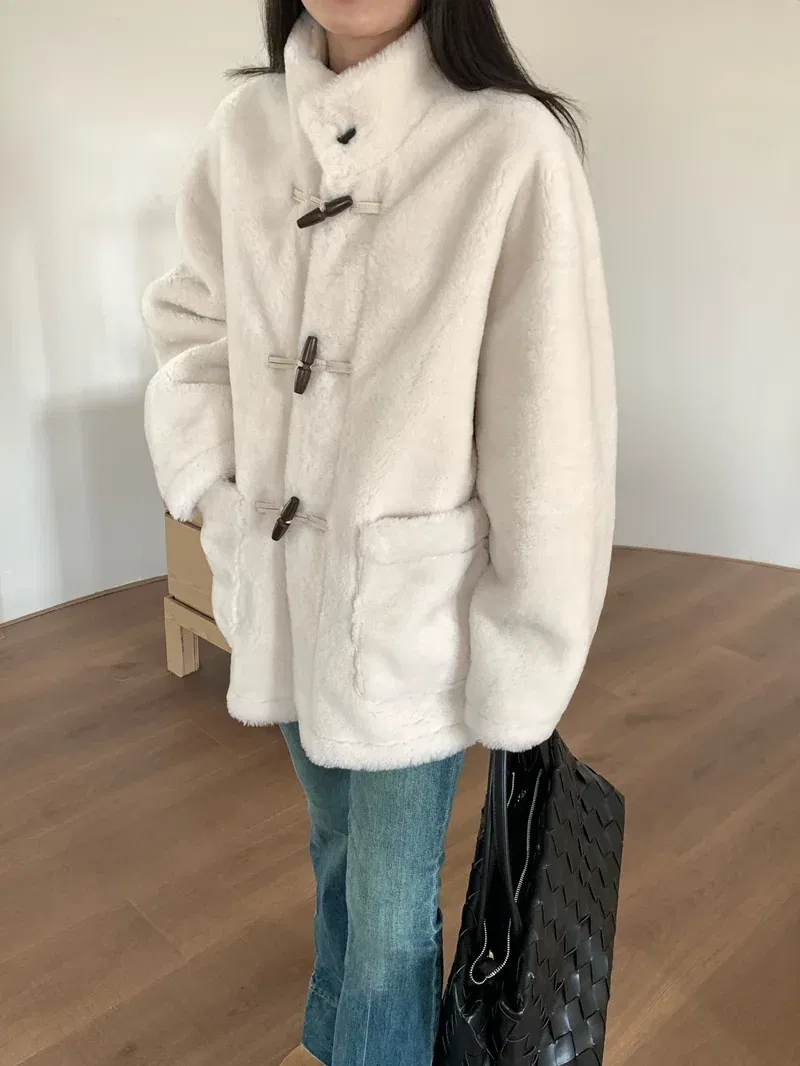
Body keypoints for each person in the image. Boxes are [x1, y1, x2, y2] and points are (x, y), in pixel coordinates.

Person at [142, 0, 616, 1062]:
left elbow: (549, 430)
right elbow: (191, 326)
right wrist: (216, 491)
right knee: (335, 847)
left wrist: (526, 645)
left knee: (392, 923)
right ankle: (332, 1039)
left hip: (412, 620)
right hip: (278, 592)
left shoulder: (509, 147)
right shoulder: (246, 131)